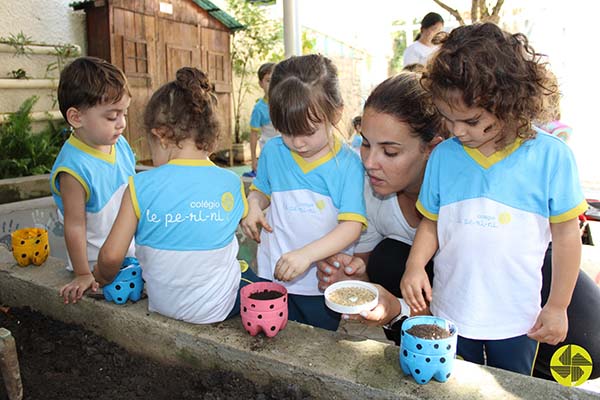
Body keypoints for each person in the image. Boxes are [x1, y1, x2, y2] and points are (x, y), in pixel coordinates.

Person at [317, 70, 600, 380]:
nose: (370, 162)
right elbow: (370, 268)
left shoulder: (484, 174)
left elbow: (564, 234)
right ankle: (429, 351)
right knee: (389, 257)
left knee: (589, 347)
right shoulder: (370, 193)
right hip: (454, 296)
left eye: (390, 151)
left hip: (520, 279)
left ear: (432, 147)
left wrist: (557, 306)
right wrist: (352, 274)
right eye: (365, 144)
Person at [401, 23, 588, 376]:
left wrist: (558, 305)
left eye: (470, 121)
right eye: (448, 117)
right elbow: (432, 222)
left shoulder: (551, 157)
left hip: (517, 321)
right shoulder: (444, 157)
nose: (456, 131)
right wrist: (414, 266)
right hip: (451, 312)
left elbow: (566, 238)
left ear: (509, 103)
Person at [93, 67, 257, 323]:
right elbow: (247, 219)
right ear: (211, 138)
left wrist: (101, 277)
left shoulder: (139, 186)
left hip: (163, 305)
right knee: (251, 276)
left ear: (159, 136)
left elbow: (112, 256)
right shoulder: (230, 182)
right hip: (219, 308)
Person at [240, 54, 367, 331]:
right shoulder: (274, 151)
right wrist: (252, 206)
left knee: (317, 350)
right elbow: (261, 191)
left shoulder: (347, 164)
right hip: (272, 273)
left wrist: (306, 255)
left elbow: (352, 226)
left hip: (322, 285)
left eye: (308, 131)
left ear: (335, 112)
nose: (297, 142)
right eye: (286, 131)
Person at [50, 56, 136, 305]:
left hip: (128, 250)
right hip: (96, 263)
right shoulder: (73, 169)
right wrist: (83, 274)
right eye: (111, 116)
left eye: (124, 113)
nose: (121, 123)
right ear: (77, 118)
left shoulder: (119, 144)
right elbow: (74, 226)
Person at [243, 62, 279, 178]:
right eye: (268, 81)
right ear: (261, 84)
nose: (272, 84)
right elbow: (254, 135)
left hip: (286, 148)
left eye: (275, 80)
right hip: (268, 150)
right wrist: (254, 160)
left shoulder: (285, 104)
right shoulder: (259, 109)